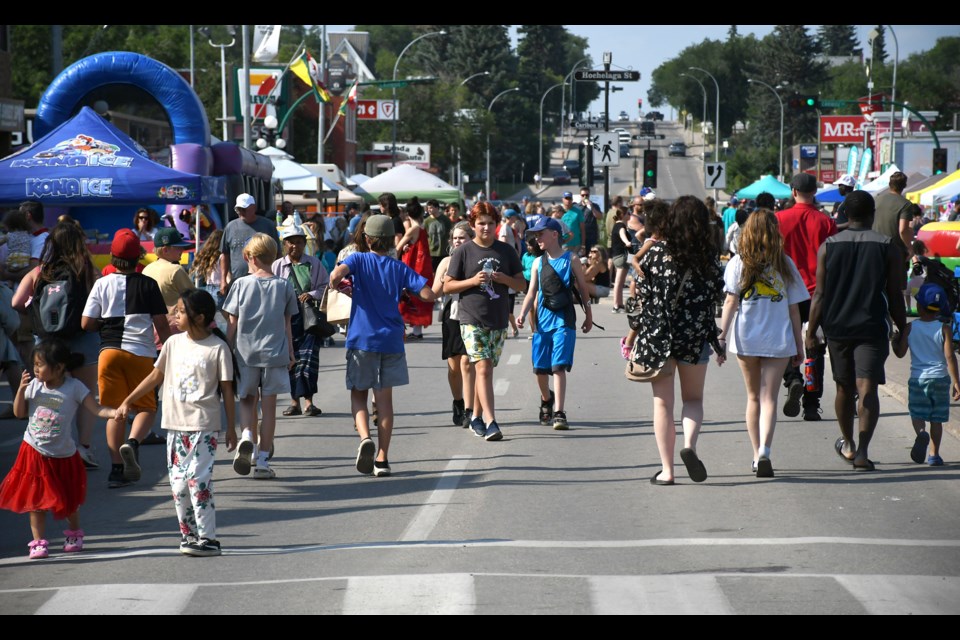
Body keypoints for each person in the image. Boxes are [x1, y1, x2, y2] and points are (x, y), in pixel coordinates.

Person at [115, 289, 236, 556]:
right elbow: (154, 377)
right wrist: (128, 400)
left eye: (181, 311)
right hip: (174, 426)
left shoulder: (218, 348)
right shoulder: (172, 344)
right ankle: (188, 536)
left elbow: (228, 390)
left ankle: (209, 539)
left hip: (204, 425)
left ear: (200, 317)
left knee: (198, 480)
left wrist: (231, 428)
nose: (175, 316)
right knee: (179, 485)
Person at [806, 190, 908, 472]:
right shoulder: (888, 246)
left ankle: (849, 443)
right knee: (868, 388)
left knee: (843, 386)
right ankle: (863, 452)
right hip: (872, 326)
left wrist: (810, 331)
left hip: (837, 326)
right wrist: (901, 326)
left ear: (844, 215)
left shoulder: (829, 245)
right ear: (872, 215)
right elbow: (896, 294)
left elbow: (820, 295)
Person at [329, 215, 436, 477]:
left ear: (366, 239)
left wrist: (341, 284)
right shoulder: (399, 267)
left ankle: (365, 437)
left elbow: (335, 276)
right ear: (392, 241)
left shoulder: (357, 259)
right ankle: (382, 458)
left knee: (358, 394)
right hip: (391, 340)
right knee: (384, 401)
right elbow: (428, 294)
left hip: (362, 339)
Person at [633, 196, 723, 485]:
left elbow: (642, 299)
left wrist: (635, 332)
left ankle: (667, 470)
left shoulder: (655, 255)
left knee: (662, 404)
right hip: (695, 335)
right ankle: (690, 446)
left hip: (659, 337)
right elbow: (715, 298)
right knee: (693, 399)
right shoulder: (708, 258)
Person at [0, 339, 114, 559]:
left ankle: (73, 534)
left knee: (69, 499)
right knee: (36, 500)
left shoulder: (74, 387)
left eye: (40, 364)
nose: (35, 369)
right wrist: (21, 390)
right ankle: (38, 542)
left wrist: (113, 413)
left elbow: (96, 409)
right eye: (34, 364)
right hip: (34, 450)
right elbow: (19, 413)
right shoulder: (34, 386)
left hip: (63, 454)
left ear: (60, 367)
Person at [717, 210, 808, 478]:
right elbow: (794, 310)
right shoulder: (785, 264)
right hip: (778, 339)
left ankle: (756, 454)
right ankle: (767, 450)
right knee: (770, 398)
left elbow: (730, 302)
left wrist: (721, 337)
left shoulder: (738, 263)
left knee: (753, 397)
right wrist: (799, 345)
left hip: (746, 338)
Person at [81, 229, 169, 487]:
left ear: (112, 256)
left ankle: (116, 470)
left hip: (108, 354)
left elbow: (86, 323)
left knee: (114, 412)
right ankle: (132, 442)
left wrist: (104, 326)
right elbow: (162, 325)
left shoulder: (101, 283)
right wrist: (169, 350)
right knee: (147, 407)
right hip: (141, 353)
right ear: (139, 257)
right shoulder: (148, 284)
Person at [11, 223, 102, 468]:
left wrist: (35, 315)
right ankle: (82, 447)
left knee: (47, 392)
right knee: (84, 394)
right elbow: (99, 301)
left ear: (52, 243)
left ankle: (47, 444)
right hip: (83, 337)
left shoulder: (40, 272)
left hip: (48, 342)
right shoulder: (87, 270)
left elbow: (16, 301)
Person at [444, 202, 526, 441]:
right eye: (481, 223)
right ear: (473, 225)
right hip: (470, 318)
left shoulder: (506, 251)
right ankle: (491, 422)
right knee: (483, 367)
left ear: (496, 224)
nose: (486, 227)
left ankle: (476, 417)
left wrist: (504, 278)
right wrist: (472, 281)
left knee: (486, 371)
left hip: (498, 319)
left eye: (490, 223)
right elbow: (448, 286)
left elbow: (521, 284)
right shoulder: (463, 252)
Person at [222, 232, 297, 480]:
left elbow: (232, 322)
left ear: (249, 257)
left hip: (245, 352)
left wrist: (226, 349)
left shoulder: (241, 284)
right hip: (275, 353)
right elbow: (288, 323)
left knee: (246, 400)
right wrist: (291, 353)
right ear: (273, 256)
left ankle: (246, 438)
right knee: (270, 408)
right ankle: (263, 461)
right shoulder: (284, 285)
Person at [516, 217, 593, 430]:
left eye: (541, 234)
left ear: (554, 234)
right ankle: (546, 398)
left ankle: (559, 412)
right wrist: (522, 314)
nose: (537, 238)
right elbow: (532, 292)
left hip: (564, 320)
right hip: (542, 322)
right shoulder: (538, 263)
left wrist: (589, 315)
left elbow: (584, 289)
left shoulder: (572, 259)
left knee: (558, 367)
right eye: (536, 234)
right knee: (540, 369)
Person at [777, 173, 837, 421]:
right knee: (814, 347)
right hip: (817, 294)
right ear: (815, 192)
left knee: (786, 344)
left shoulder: (778, 219)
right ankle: (812, 403)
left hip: (786, 292)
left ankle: (792, 379)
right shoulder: (826, 222)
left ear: (793, 192)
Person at [892, 283, 960, 467]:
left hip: (918, 378)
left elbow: (899, 353)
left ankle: (921, 432)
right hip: (940, 378)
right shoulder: (944, 328)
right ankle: (933, 455)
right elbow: (949, 357)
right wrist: (956, 382)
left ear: (919, 306)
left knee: (917, 413)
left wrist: (894, 341)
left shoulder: (910, 328)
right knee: (936, 420)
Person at [271, 226, 327, 418]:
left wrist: (310, 294)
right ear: (284, 244)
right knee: (291, 359)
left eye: (299, 241)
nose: (295, 245)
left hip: (309, 319)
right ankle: (294, 402)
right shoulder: (277, 266)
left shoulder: (314, 264)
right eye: (291, 241)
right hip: (286, 319)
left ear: (305, 243)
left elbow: (324, 287)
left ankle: (309, 403)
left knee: (309, 359)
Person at [432, 222, 474, 427]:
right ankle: (458, 402)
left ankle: (469, 409)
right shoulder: (446, 261)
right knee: (454, 366)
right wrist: (442, 279)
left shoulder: (476, 259)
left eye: (462, 238)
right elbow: (434, 293)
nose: (458, 241)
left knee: (467, 362)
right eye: (455, 238)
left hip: (472, 314)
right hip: (452, 315)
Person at [874, 171, 919, 318]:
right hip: (895, 251)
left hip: (874, 247)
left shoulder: (876, 199)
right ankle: (896, 322)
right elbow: (903, 230)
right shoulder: (905, 204)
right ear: (904, 186)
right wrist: (910, 249)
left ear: (889, 184)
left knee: (877, 286)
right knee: (895, 290)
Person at [219, 193, 280, 300]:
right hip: (238, 281)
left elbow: (278, 253)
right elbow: (225, 254)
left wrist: (278, 275)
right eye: (238, 209)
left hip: (265, 280)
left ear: (254, 208)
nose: (241, 212)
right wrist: (223, 280)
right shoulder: (231, 227)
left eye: (243, 209)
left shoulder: (268, 225)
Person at [396, 197, 434, 340]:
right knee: (419, 300)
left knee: (407, 298)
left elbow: (398, 248)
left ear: (408, 214)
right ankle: (417, 331)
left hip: (413, 269)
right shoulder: (423, 227)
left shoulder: (413, 229)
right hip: (424, 268)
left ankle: (405, 331)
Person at [610, 206, 632, 312]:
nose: (630, 215)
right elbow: (622, 235)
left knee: (620, 281)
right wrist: (627, 242)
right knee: (619, 282)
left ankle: (619, 304)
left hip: (617, 256)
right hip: (621, 256)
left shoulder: (616, 225)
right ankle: (616, 305)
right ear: (623, 215)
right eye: (628, 213)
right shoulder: (621, 226)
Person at [424, 199, 453, 273]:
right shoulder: (426, 221)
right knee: (433, 272)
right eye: (428, 208)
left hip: (444, 251)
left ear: (437, 208)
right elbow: (425, 235)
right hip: (432, 252)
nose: (429, 210)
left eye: (431, 207)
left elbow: (451, 233)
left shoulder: (445, 219)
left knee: (444, 271)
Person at [560, 192, 585, 256]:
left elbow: (582, 229)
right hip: (564, 244)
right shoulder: (560, 211)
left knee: (575, 263)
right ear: (563, 199)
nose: (568, 200)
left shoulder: (578, 211)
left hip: (576, 244)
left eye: (569, 199)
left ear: (572, 200)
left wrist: (583, 245)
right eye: (566, 198)